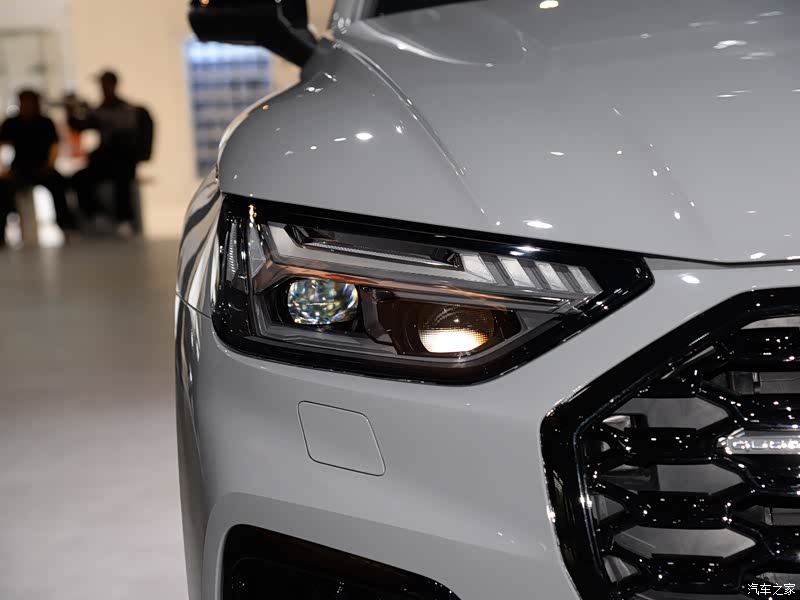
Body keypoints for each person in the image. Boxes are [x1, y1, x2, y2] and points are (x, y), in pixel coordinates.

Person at [68, 70, 153, 236]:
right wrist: (71, 111)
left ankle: (124, 220)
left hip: (124, 161)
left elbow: (117, 123)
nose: (104, 88)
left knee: (122, 177)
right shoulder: (100, 110)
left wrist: (92, 113)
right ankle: (96, 214)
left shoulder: (127, 110)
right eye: (102, 84)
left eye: (106, 84)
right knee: (79, 178)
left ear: (114, 85)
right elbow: (80, 126)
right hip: (104, 163)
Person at [0, 89, 77, 247]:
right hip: (19, 169)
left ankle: (66, 227)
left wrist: (50, 165)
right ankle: (1, 235)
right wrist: (3, 169)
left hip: (42, 168)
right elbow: (2, 145)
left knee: (59, 184)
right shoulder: (11, 123)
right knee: (2, 189)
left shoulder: (45, 122)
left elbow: (54, 146)